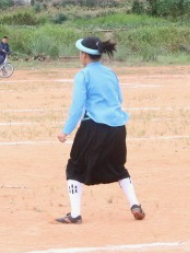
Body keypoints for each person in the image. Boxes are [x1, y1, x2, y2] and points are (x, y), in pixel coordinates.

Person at [54, 36, 144, 224]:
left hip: (94, 126)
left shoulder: (83, 75)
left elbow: (77, 107)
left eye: (80, 53)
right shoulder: (111, 73)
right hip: (118, 127)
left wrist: (66, 131)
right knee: (118, 168)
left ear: (85, 56)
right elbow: (119, 99)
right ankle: (135, 204)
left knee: (74, 168)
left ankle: (75, 214)